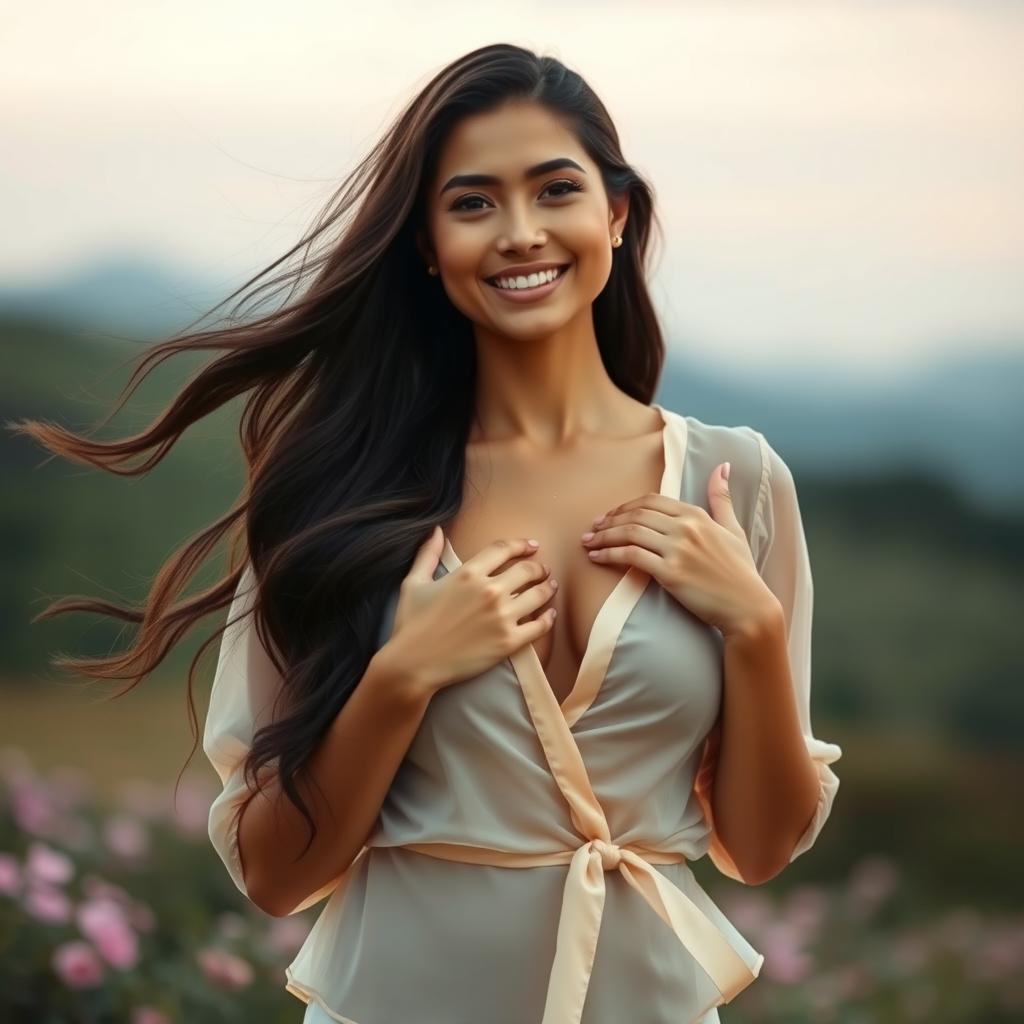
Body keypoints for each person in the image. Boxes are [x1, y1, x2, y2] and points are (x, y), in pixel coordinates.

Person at [22, 43, 841, 1024]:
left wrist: (752, 630)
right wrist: (402, 673)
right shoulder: (340, 487)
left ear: (615, 214)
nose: (519, 232)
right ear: (424, 242)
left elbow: (757, 847)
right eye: (472, 203)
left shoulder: (734, 482)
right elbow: (276, 875)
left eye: (554, 190)